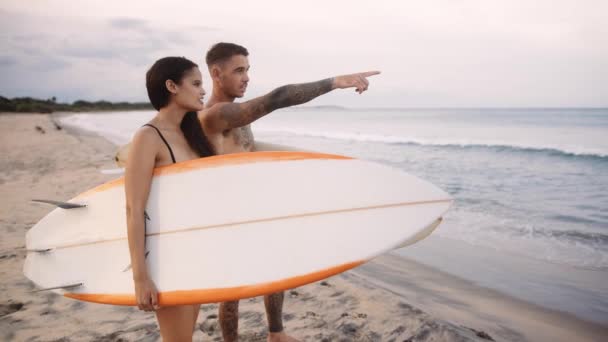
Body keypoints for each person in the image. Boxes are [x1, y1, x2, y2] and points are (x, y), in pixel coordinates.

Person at [198, 42, 379, 342]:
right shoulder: (218, 115)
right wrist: (334, 82)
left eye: (248, 70)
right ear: (216, 74)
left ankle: (276, 333)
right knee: (231, 291)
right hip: (229, 214)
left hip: (255, 207)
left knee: (275, 269)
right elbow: (279, 98)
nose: (246, 78)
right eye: (239, 70)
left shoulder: (236, 113)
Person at [125, 56, 213, 342]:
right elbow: (133, 208)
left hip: (194, 251)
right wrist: (141, 277)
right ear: (172, 86)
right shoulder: (147, 137)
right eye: (197, 84)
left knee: (183, 336)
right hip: (167, 256)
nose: (203, 91)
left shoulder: (192, 133)